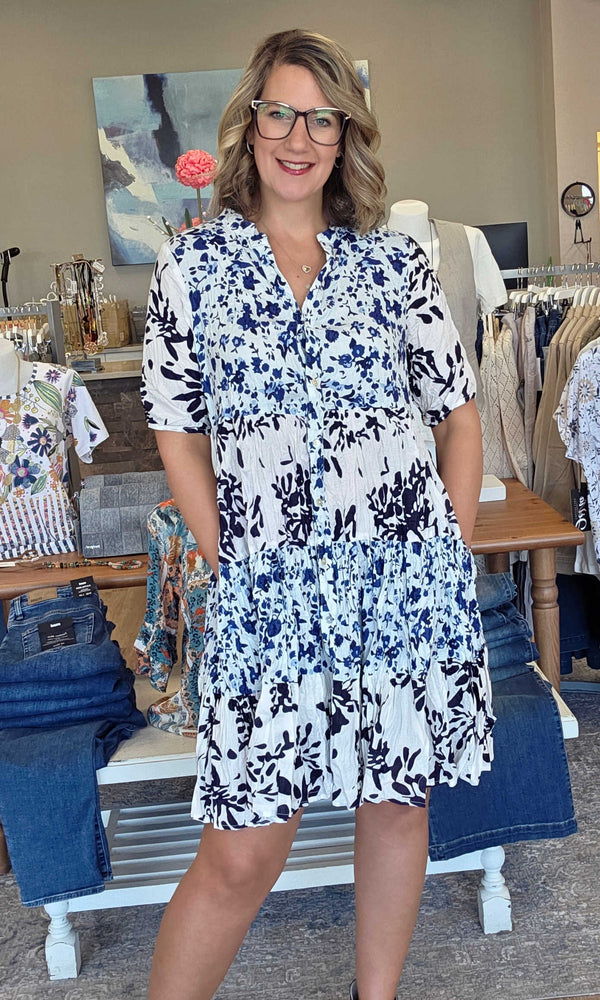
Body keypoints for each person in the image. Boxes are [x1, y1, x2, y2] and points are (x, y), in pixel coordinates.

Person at [141, 27, 494, 1000]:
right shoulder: (194, 266)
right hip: (271, 587)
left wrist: (447, 551)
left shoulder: (393, 266)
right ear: (250, 123)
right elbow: (177, 430)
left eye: (322, 119)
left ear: (346, 137)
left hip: (403, 577)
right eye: (280, 113)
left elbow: (459, 416)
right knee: (242, 850)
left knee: (398, 806)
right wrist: (228, 558)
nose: (299, 138)